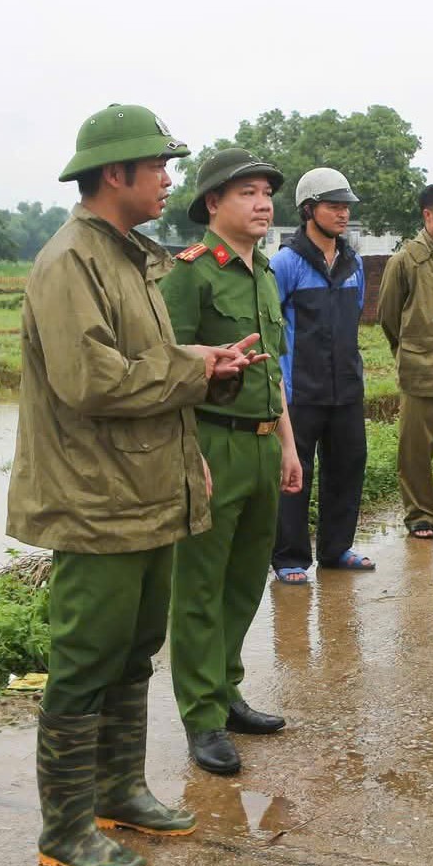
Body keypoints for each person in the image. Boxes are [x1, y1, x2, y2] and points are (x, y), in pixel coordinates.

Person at [8, 103, 265, 866]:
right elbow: (91, 379)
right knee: (86, 659)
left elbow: (142, 356)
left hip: (144, 489)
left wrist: (198, 355)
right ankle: (65, 826)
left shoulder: (126, 256)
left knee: (134, 653)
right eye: (156, 167)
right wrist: (194, 369)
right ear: (114, 174)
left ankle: (119, 790)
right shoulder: (70, 263)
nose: (167, 180)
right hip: (95, 502)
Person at [161, 147, 303, 778]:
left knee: (246, 582)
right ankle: (202, 716)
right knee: (198, 588)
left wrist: (289, 446)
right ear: (212, 204)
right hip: (212, 442)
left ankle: (226, 689)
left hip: (264, 441)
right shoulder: (189, 274)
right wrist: (190, 457)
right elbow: (172, 372)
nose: (262, 201)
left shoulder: (266, 272)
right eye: (245, 192)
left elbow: (274, 372)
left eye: (266, 191)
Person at [270, 167, 373, 583]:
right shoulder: (286, 263)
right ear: (309, 209)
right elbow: (271, 326)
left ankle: (336, 548)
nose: (343, 214)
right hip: (300, 391)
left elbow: (358, 312)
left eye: (346, 206)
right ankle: (290, 558)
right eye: (334, 206)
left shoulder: (354, 263)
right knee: (296, 474)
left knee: (348, 466)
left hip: (346, 387)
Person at [377, 183, 433, 540]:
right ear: (427, 216)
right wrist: (412, 350)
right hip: (421, 372)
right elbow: (388, 316)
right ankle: (421, 515)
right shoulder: (405, 261)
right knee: (415, 452)